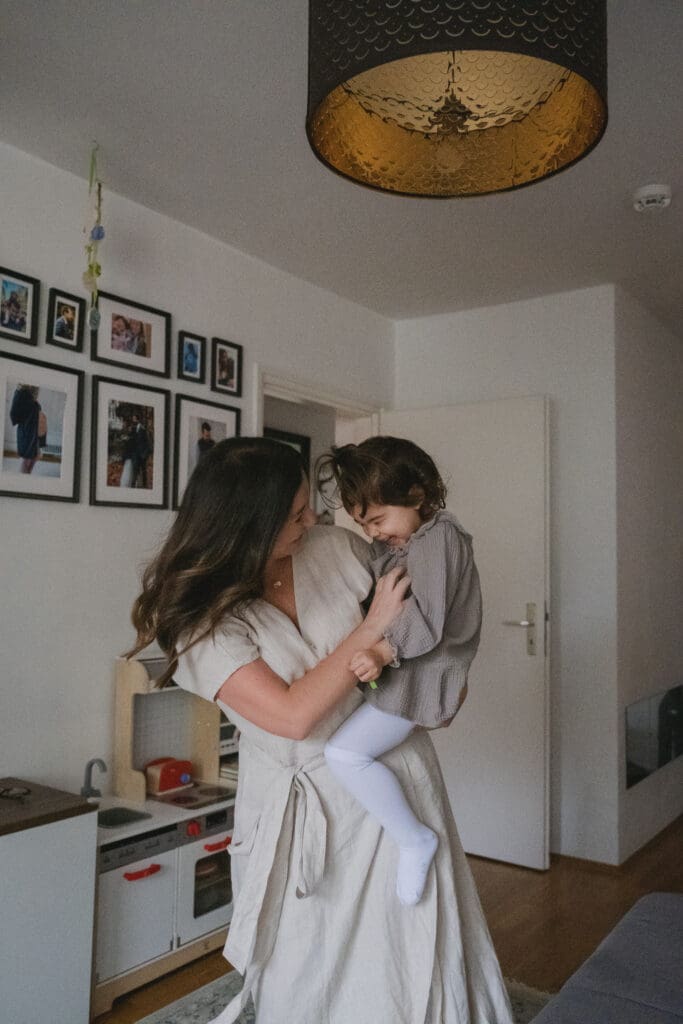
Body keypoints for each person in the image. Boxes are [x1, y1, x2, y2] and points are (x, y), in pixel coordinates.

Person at [127, 437, 512, 1024]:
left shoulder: (334, 548)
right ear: (247, 527)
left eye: (308, 505)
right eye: (294, 514)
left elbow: (430, 614)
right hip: (303, 803)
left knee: (411, 951)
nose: (313, 519)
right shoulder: (200, 622)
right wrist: (371, 631)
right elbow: (290, 715)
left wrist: (450, 682)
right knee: (313, 969)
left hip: (393, 780)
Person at [317, 437, 482, 908]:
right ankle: (412, 838)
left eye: (377, 519)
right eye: (363, 523)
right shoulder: (414, 540)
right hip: (416, 671)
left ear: (416, 495)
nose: (373, 532)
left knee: (345, 754)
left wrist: (384, 651)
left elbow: (427, 617)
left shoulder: (438, 539)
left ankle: (413, 838)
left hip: (422, 673)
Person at [9, 384, 41, 473]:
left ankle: (26, 478)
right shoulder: (21, 394)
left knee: (34, 458)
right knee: (27, 461)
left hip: (33, 435)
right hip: (27, 435)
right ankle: (22, 483)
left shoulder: (30, 397)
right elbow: (14, 416)